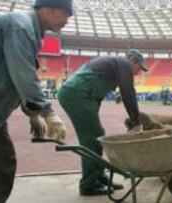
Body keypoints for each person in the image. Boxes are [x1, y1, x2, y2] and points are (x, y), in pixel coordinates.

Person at [0, 0, 72, 202]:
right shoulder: (20, 27)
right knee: (0, 164)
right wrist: (47, 112)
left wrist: (33, 114)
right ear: (49, 9)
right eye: (66, 14)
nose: (67, 21)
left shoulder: (27, 29)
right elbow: (22, 75)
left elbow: (15, 76)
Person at [57, 49, 148, 196]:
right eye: (138, 67)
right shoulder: (123, 64)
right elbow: (128, 93)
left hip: (80, 94)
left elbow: (100, 94)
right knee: (91, 138)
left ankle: (99, 177)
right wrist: (137, 122)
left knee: (97, 134)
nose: (138, 72)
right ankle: (88, 184)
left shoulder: (114, 66)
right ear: (131, 60)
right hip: (76, 94)